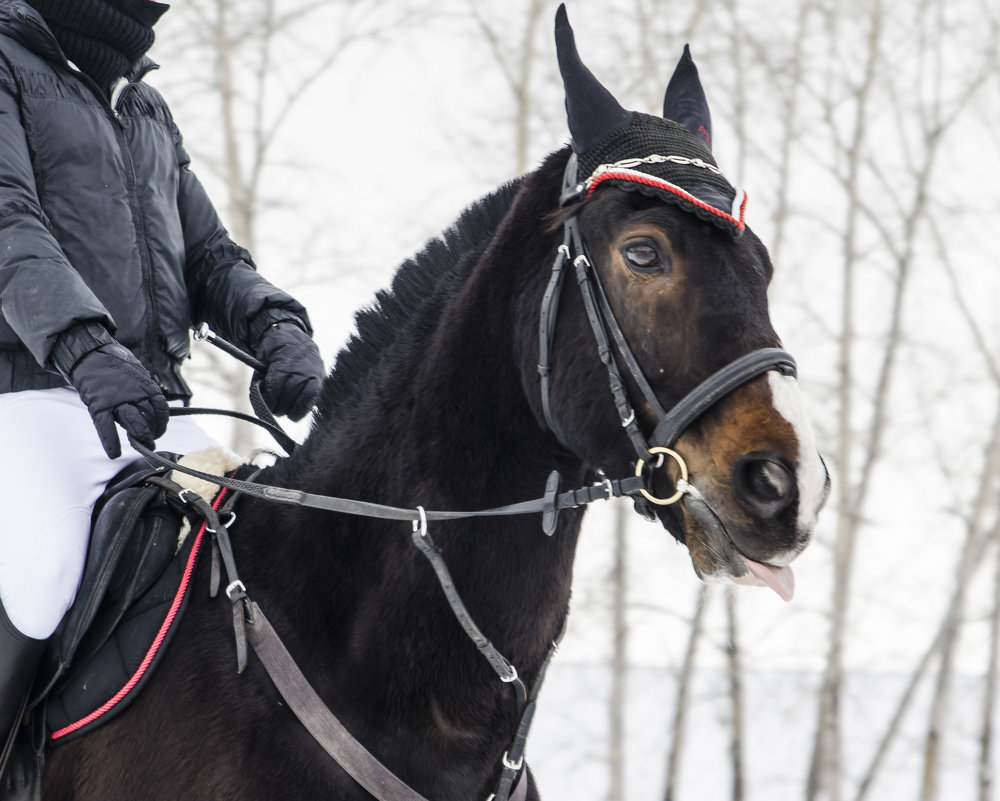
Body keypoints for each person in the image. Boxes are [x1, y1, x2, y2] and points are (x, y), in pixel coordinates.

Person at [0, 0, 326, 779]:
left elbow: (209, 255)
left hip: (151, 408)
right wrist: (85, 346)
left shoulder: (142, 102)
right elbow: (7, 222)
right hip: (30, 399)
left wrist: (276, 326)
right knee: (42, 577)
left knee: (269, 548)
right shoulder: (6, 65)